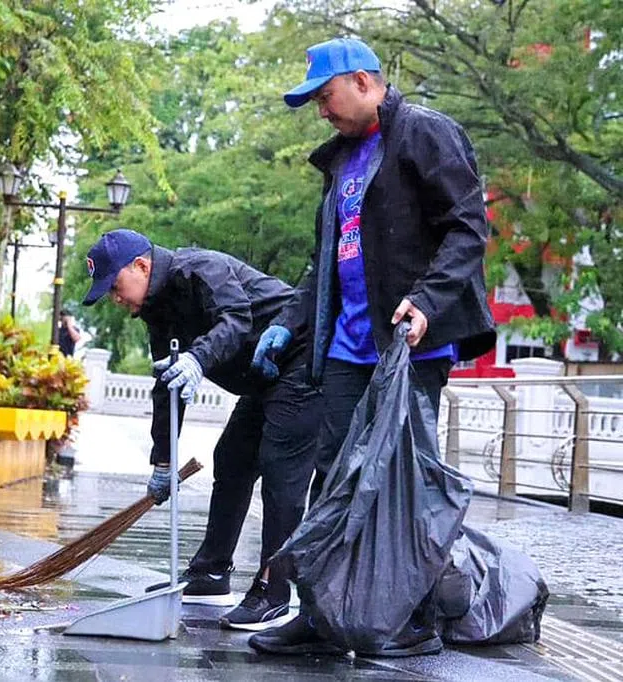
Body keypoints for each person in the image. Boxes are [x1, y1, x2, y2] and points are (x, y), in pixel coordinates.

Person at [246, 38, 496, 656]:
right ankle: (320, 616)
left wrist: (427, 301)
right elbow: (328, 260)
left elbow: (468, 228)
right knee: (333, 478)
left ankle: (414, 621)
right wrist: (292, 320)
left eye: (325, 96)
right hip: (346, 347)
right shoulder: (340, 161)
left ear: (362, 82)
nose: (321, 111)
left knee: (403, 483)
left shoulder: (423, 133)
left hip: (409, 345)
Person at [82, 228, 322, 631]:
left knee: (280, 470)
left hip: (300, 359)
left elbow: (237, 319)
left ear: (141, 266)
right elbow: (167, 386)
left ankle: (275, 591)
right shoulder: (156, 309)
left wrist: (198, 358)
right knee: (231, 460)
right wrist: (163, 461)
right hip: (262, 379)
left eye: (115, 287)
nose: (115, 299)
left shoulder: (201, 269)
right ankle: (211, 573)